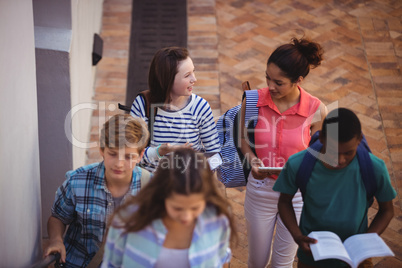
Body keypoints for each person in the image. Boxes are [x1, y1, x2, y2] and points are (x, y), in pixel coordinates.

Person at [240, 37, 328, 267]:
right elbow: (243, 140)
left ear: (298, 80)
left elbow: (319, 156)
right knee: (257, 261)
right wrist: (252, 160)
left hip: (297, 195)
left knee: (284, 262)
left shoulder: (316, 109)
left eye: (278, 82)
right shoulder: (252, 101)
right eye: (267, 77)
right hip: (261, 189)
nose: (270, 86)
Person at [273, 108, 396, 267]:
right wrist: (297, 236)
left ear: (359, 139)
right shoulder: (298, 164)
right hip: (311, 257)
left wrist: (367, 241)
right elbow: (284, 202)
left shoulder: (374, 168)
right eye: (333, 152)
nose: (340, 160)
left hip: (357, 260)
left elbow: (387, 210)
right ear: (322, 138)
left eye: (348, 153)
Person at [43, 114, 150, 267]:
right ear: (101, 150)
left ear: (140, 155)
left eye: (128, 157)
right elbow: (58, 217)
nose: (119, 164)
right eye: (113, 154)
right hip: (81, 263)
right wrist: (56, 240)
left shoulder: (152, 188)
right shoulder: (77, 181)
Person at [101, 148, 236, 267]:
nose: (186, 217)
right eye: (177, 208)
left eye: (195, 208)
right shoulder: (126, 220)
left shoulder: (218, 219)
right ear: (161, 196)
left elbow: (222, 258)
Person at [130, 46, 220, 171]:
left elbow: (215, 153)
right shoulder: (143, 104)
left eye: (193, 72)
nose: (194, 79)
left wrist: (199, 177)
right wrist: (159, 151)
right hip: (150, 185)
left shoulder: (200, 107)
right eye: (187, 75)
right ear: (167, 80)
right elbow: (131, 154)